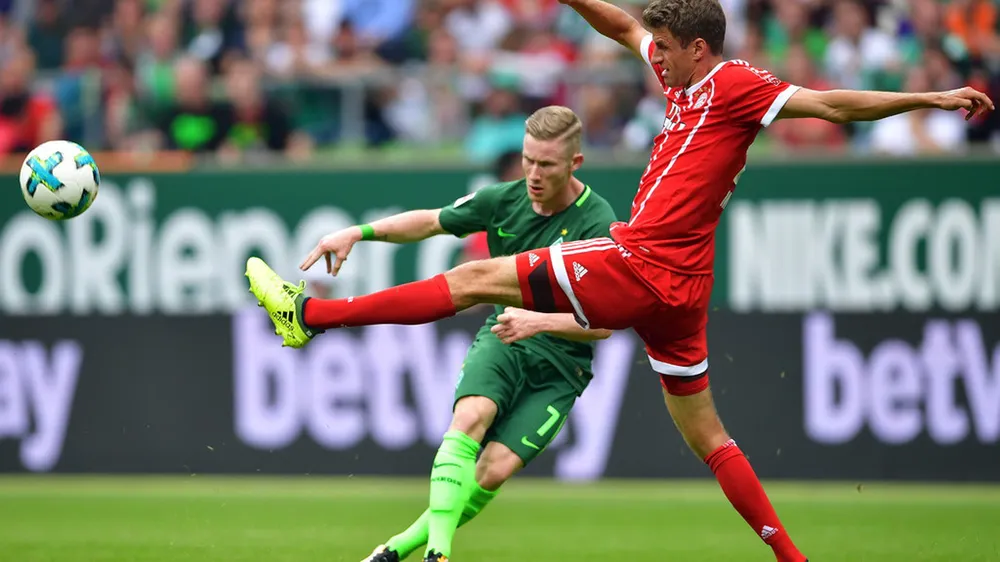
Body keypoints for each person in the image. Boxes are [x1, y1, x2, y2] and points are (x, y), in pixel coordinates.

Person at [246, 1, 994, 561]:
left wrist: (927, 99)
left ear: (700, 48)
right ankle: (793, 559)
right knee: (710, 437)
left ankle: (310, 318)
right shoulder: (680, 77)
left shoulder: (735, 84)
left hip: (644, 261)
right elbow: (623, 26)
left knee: (472, 277)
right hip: (684, 290)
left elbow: (829, 104)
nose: (653, 58)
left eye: (666, 49)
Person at [262, 106, 616, 562]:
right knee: (469, 418)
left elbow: (605, 322)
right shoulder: (502, 200)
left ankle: (393, 550)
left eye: (546, 164)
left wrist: (541, 321)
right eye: (528, 160)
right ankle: (438, 552)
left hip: (562, 367)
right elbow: (430, 221)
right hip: (506, 339)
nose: (533, 173)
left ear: (575, 163)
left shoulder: (597, 222)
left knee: (491, 472)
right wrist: (359, 232)